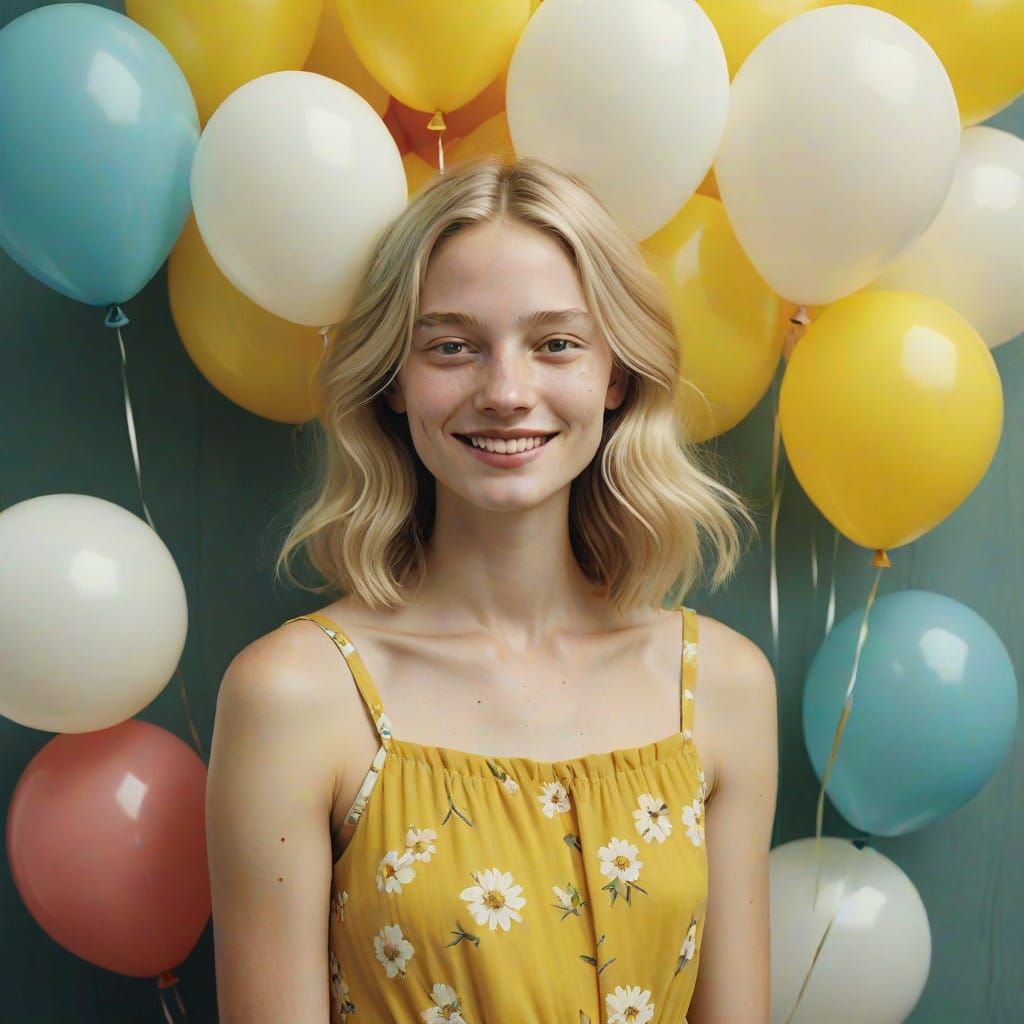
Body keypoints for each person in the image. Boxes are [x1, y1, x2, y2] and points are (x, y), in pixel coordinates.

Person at [205, 156, 778, 1024]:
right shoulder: (293, 695)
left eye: (556, 343)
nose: (507, 393)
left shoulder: (722, 687)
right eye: (452, 346)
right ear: (394, 379)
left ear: (614, 376)